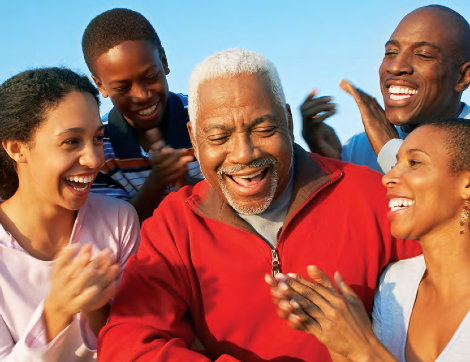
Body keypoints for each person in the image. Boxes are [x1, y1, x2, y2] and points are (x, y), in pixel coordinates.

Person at [98, 48, 421, 362]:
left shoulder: (370, 195)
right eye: (219, 137)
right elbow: (126, 342)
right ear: (194, 139)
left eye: (264, 130)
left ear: (289, 123)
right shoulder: (175, 224)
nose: (244, 154)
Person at [270, 118, 470, 362]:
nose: (388, 177)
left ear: (467, 185)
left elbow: (365, 354)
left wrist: (362, 347)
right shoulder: (394, 283)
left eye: (414, 162)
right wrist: (334, 331)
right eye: (396, 163)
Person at [0, 67, 140, 361]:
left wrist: (96, 307)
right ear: (16, 148)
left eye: (98, 138)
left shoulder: (119, 220)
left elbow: (137, 343)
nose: (94, 159)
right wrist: (56, 312)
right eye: (71, 141)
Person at [302, 5, 470, 173]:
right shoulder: (360, 146)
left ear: (463, 76)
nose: (396, 67)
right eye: (391, 52)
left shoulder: (381, 139)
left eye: (423, 55)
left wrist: (388, 147)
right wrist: (334, 164)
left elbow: (441, 197)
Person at [82, 8, 201, 222]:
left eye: (150, 76)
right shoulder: (99, 148)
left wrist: (186, 182)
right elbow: (115, 230)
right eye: (122, 88)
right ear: (100, 85)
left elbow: (237, 201)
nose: (142, 95)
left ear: (164, 61)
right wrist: (156, 183)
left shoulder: (204, 116)